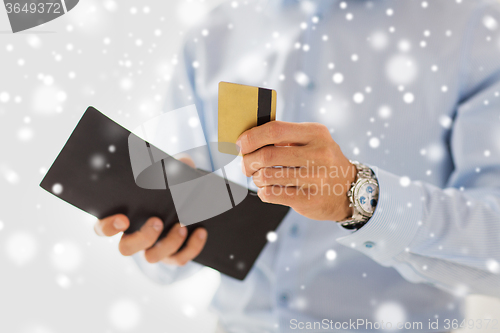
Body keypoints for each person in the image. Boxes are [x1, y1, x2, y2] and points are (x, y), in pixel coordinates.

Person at [94, 0, 500, 332]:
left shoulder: (476, 30)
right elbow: (180, 215)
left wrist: (359, 197)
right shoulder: (211, 35)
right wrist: (162, 235)